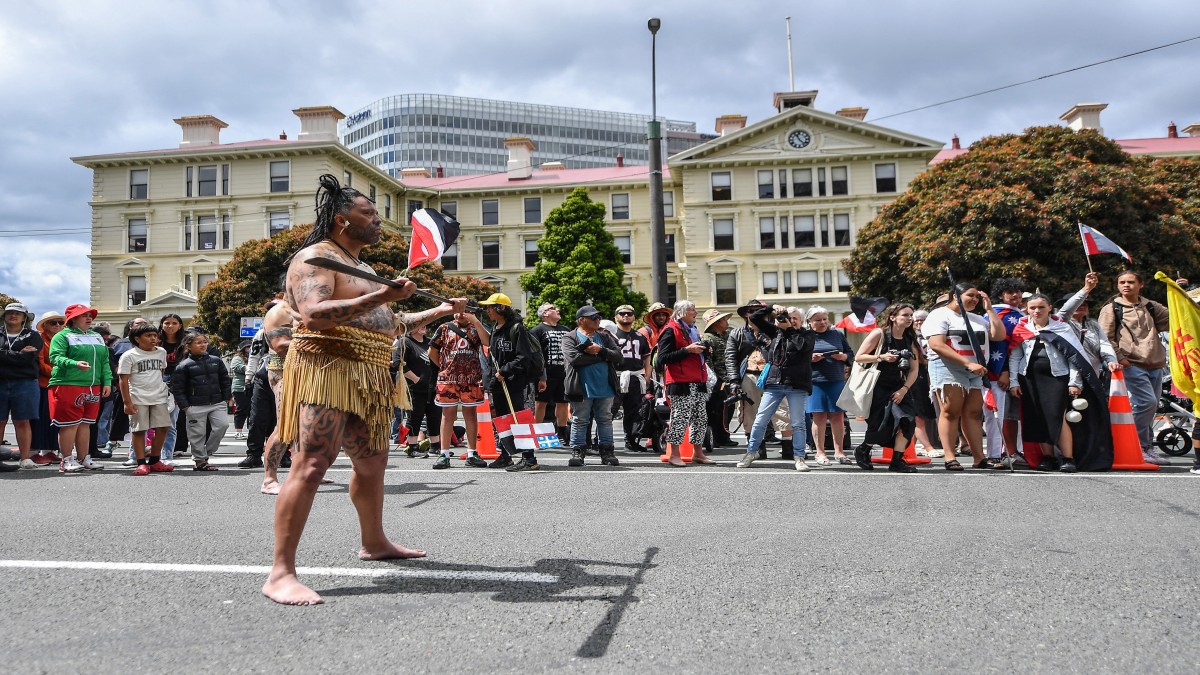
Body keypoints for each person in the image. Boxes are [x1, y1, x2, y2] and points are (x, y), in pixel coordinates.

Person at [264, 173, 465, 606]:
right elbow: (314, 314)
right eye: (368, 213)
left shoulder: (363, 267)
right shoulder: (316, 258)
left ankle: (374, 542)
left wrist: (441, 310)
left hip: (370, 375)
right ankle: (280, 573)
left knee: (373, 464)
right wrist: (378, 298)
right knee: (313, 462)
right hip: (327, 366)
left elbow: (393, 324)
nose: (378, 221)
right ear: (341, 220)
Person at [1008, 293, 1107, 472]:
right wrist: (1014, 381)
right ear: (1027, 309)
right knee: (1038, 418)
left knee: (1058, 418)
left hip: (1057, 377)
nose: (1037, 311)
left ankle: (1068, 458)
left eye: (1041, 307)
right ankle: (1048, 457)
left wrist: (1074, 382)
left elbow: (1074, 357)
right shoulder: (1021, 328)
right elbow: (1015, 356)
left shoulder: (1062, 328)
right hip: (1029, 379)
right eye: (1032, 308)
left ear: (1049, 308)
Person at [922, 283, 1006, 471]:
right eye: (971, 295)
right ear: (955, 296)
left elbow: (998, 335)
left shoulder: (977, 318)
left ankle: (979, 458)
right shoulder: (939, 315)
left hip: (976, 369)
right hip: (948, 367)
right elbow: (936, 344)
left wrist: (990, 310)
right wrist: (967, 363)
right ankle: (950, 457)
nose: (975, 299)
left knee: (974, 413)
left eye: (978, 296)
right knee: (951, 411)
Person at [1097, 270, 1172, 465]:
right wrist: (1120, 358)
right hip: (1131, 364)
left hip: (1155, 364)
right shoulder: (1111, 308)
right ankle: (1137, 445)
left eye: (1131, 281)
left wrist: (1182, 294)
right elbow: (1104, 337)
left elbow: (1175, 320)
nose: (1126, 285)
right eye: (1122, 282)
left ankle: (1146, 447)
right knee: (1147, 403)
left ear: (1141, 285)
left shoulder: (1150, 306)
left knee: (1151, 407)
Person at [736, 304, 816, 471]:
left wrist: (790, 329)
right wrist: (771, 308)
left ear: (801, 321)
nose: (791, 321)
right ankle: (751, 452)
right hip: (774, 383)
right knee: (760, 420)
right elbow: (754, 318)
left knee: (797, 423)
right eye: (788, 317)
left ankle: (799, 457)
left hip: (797, 385)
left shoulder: (807, 335)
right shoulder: (775, 332)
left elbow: (802, 347)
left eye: (795, 318)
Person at [851, 304, 920, 472]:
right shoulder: (879, 334)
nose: (909, 318)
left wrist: (904, 389)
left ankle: (897, 461)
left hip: (899, 387)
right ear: (892, 317)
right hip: (877, 387)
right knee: (881, 425)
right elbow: (859, 357)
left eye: (911, 315)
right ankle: (863, 449)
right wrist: (881, 357)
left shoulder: (909, 338)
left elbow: (914, 369)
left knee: (908, 422)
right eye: (905, 315)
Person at [479, 293, 541, 471]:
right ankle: (506, 455)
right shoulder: (495, 328)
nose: (488, 310)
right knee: (502, 420)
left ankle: (529, 458)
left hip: (513, 382)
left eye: (491, 307)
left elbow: (524, 356)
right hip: (498, 383)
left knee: (519, 418)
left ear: (501, 308)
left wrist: (504, 371)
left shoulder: (516, 328)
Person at [48, 304, 112, 473]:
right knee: (69, 424)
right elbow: (55, 357)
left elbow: (104, 361)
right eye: (84, 315)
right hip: (68, 384)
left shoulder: (96, 336)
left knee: (86, 423)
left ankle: (84, 458)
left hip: (93, 386)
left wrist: (107, 381)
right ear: (72, 318)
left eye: (90, 314)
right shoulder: (62, 336)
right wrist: (74, 363)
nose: (89, 317)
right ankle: (66, 459)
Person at [428, 310, 491, 469]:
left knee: (470, 415)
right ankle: (444, 454)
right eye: (456, 312)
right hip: (448, 380)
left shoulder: (476, 328)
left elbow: (487, 342)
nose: (459, 315)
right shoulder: (444, 328)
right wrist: (444, 368)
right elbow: (432, 351)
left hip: (471, 379)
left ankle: (472, 453)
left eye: (463, 312)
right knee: (448, 415)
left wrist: (476, 321)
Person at [656, 300, 715, 467]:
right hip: (680, 380)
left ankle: (698, 452)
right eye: (692, 310)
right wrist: (687, 350)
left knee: (700, 418)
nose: (695, 313)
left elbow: (695, 354)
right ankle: (674, 454)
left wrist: (705, 350)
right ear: (681, 313)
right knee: (680, 418)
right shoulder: (670, 330)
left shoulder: (693, 329)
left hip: (698, 378)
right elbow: (662, 358)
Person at [563, 305, 622, 466]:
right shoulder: (569, 337)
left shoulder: (604, 337)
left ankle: (607, 452)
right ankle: (577, 452)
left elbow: (618, 356)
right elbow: (575, 359)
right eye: (593, 318)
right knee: (580, 420)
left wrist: (600, 350)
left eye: (598, 317)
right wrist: (602, 356)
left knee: (605, 420)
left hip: (605, 386)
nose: (598, 320)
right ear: (581, 320)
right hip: (580, 387)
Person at [117, 323, 174, 475]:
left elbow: (161, 371)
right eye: (148, 336)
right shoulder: (129, 356)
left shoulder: (161, 352)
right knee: (139, 430)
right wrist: (127, 402)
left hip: (159, 396)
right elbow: (123, 380)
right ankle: (141, 462)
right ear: (137, 338)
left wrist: (161, 387)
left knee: (163, 427)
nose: (153, 339)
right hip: (137, 397)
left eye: (155, 335)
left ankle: (155, 460)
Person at [170, 332, 232, 471]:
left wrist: (226, 397)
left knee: (222, 426)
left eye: (205, 342)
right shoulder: (183, 366)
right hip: (194, 405)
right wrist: (185, 407)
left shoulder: (216, 360)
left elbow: (225, 380)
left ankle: (205, 454)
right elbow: (178, 389)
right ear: (188, 346)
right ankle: (200, 461)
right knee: (197, 434)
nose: (203, 345)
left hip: (217, 403)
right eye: (199, 342)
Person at [804, 306, 854, 465]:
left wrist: (843, 356)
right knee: (818, 416)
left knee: (838, 416)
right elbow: (796, 357)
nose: (822, 322)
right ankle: (820, 453)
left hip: (836, 380)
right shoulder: (805, 336)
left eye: (825, 319)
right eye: (818, 320)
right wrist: (810, 358)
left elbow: (851, 354)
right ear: (810, 322)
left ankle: (839, 452)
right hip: (815, 381)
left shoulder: (837, 334)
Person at [985, 279, 1027, 464]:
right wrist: (1004, 371)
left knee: (1012, 415)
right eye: (1010, 291)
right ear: (1001, 295)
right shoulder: (1002, 315)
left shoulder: (1016, 314)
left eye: (1018, 291)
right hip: (1000, 373)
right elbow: (1000, 346)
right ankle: (995, 453)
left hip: (1016, 373)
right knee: (997, 415)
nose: (1015, 295)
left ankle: (1013, 451)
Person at [0, 302, 43, 470]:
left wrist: (5, 356)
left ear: (24, 317)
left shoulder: (32, 336)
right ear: (4, 316)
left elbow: (28, 359)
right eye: (9, 312)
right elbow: (22, 358)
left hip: (25, 382)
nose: (13, 315)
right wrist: (19, 354)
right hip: (1, 381)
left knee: (23, 421)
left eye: (18, 313)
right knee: (0, 421)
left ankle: (25, 458)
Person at [611, 304, 651, 452]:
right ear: (616, 316)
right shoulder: (611, 334)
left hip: (634, 376)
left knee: (634, 411)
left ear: (634, 317)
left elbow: (647, 356)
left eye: (629, 313)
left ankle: (631, 440)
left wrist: (647, 375)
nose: (626, 316)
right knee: (610, 410)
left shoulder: (640, 336)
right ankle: (602, 441)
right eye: (622, 313)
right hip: (616, 376)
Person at [529, 303, 570, 445]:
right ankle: (537, 432)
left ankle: (562, 432)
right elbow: (536, 354)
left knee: (563, 403)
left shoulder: (566, 330)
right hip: (546, 373)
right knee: (541, 403)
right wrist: (541, 375)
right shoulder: (537, 331)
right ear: (545, 314)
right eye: (553, 309)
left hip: (564, 373)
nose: (557, 310)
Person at [400, 323, 440, 459]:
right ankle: (412, 447)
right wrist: (417, 380)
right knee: (415, 416)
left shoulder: (429, 342)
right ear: (411, 328)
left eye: (424, 324)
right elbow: (399, 364)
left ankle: (435, 446)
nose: (423, 326)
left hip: (432, 387)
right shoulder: (405, 342)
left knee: (434, 416)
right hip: (414, 388)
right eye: (419, 325)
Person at [30, 311, 64, 465]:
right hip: (43, 385)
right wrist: (60, 373)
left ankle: (51, 450)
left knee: (54, 420)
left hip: (57, 384)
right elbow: (40, 363)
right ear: (44, 326)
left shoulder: (62, 340)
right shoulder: (40, 339)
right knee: (39, 419)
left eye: (60, 322)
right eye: (53, 322)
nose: (57, 325)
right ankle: (35, 451)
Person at [701, 309, 736, 450]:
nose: (726, 322)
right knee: (716, 410)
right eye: (723, 320)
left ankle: (724, 436)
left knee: (729, 408)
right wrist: (714, 381)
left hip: (730, 378)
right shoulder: (708, 339)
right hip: (718, 380)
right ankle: (715, 437)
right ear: (715, 323)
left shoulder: (728, 335)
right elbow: (708, 362)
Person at [909, 309, 940, 458]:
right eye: (917, 320)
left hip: (932, 377)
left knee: (927, 413)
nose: (919, 323)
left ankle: (909, 448)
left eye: (923, 320)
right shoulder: (909, 337)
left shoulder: (934, 335)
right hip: (915, 378)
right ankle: (928, 447)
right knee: (917, 415)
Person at [158, 313, 186, 462]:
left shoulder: (185, 342)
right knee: (145, 422)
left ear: (180, 325)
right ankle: (137, 455)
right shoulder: (154, 341)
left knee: (170, 421)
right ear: (162, 325)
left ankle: (167, 455)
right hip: (155, 382)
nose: (170, 326)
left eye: (174, 323)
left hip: (176, 383)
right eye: (167, 323)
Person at [230, 341, 251, 440]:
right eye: (247, 347)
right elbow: (238, 368)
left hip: (251, 387)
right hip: (240, 388)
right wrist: (251, 367)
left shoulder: (252, 357)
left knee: (252, 410)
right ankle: (238, 431)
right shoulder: (237, 358)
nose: (249, 349)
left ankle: (251, 430)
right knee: (241, 409)